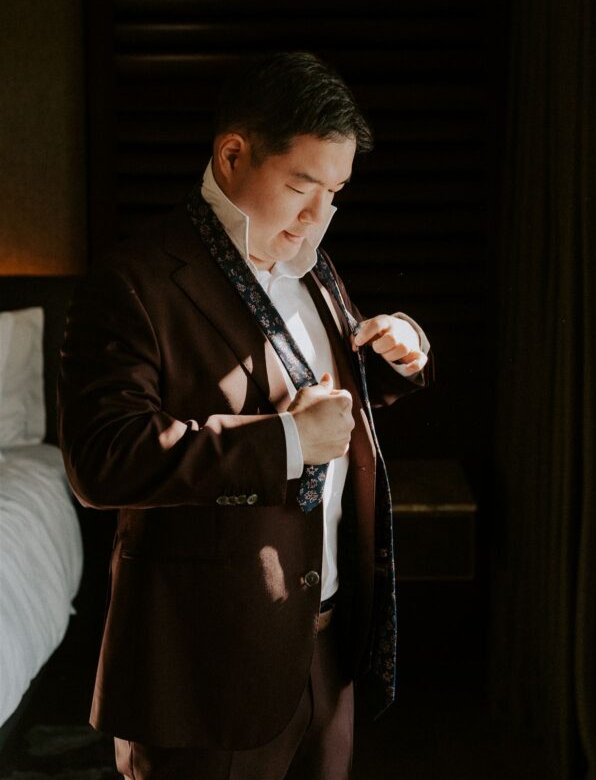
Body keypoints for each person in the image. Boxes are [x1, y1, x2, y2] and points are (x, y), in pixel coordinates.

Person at [58, 50, 433, 780]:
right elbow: (102, 459)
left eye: (335, 192)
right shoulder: (133, 281)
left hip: (327, 637)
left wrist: (395, 356)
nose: (315, 216)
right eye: (300, 185)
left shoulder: (313, 261)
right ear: (232, 154)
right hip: (206, 659)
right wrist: (287, 440)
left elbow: (325, 392)